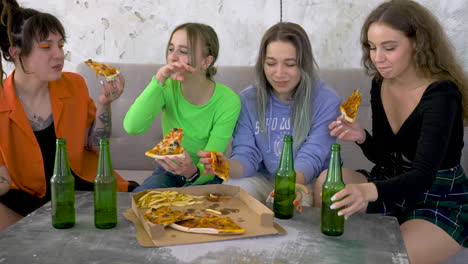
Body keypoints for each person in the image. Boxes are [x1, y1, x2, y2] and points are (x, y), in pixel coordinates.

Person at [313, 0, 468, 263]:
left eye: (390, 48)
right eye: (372, 48)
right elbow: (385, 158)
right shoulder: (380, 83)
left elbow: (421, 176)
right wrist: (362, 136)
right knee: (327, 180)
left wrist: (369, 191)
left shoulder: (442, 94)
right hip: (390, 182)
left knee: (389, 255)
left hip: (436, 194)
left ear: (417, 43)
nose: (377, 58)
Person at [0, 0, 136, 231]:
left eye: (60, 45)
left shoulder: (74, 84)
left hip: (83, 185)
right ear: (16, 53)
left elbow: (95, 145)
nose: (58, 55)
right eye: (46, 47)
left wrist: (105, 103)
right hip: (28, 197)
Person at [198, 22, 341, 210]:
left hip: (305, 180)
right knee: (230, 195)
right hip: (262, 178)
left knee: (292, 208)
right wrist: (224, 165)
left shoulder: (327, 100)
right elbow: (246, 155)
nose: (279, 73)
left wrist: (286, 187)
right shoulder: (248, 99)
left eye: (290, 64)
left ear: (304, 64)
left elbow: (312, 156)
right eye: (271, 63)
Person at [125, 23, 241, 191]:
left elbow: (211, 164)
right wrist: (158, 80)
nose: (172, 57)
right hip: (167, 172)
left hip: (204, 177)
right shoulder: (165, 87)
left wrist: (192, 172)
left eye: (183, 51)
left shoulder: (228, 101)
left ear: (206, 61)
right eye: (171, 49)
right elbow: (132, 127)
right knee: (139, 204)